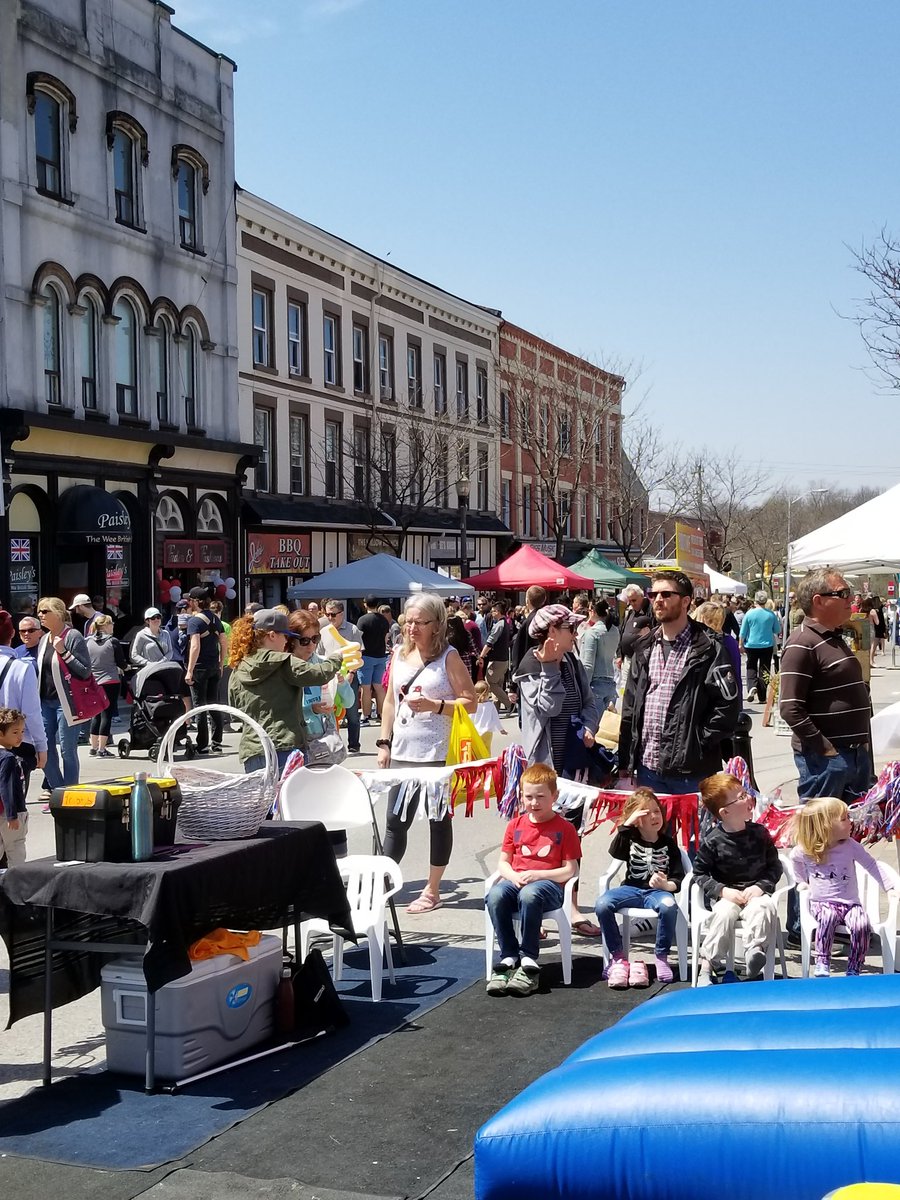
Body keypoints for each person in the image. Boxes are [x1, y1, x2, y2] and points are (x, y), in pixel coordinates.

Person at [377, 592, 477, 914]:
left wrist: (436, 706)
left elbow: (470, 702)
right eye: (408, 622)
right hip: (403, 751)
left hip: (437, 753)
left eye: (420, 622)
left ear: (437, 624)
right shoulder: (399, 654)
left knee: (438, 820)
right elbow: (390, 701)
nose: (412, 628)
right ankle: (381, 884)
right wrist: (384, 742)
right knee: (395, 821)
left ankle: (432, 890)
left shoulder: (449, 656)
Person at [618, 570, 740, 797]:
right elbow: (630, 708)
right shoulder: (644, 647)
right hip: (647, 768)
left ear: (686, 601)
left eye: (666, 594)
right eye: (653, 594)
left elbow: (728, 706)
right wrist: (625, 759)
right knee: (652, 822)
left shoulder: (709, 648)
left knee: (695, 823)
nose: (658, 600)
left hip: (691, 772)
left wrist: (699, 743)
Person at [485, 762, 581, 997]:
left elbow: (570, 870)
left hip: (549, 887)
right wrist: (513, 876)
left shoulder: (565, 828)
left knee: (530, 894)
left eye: (540, 797)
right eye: (528, 797)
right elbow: (503, 863)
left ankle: (528, 958)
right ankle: (509, 956)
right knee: (495, 894)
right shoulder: (515, 825)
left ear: (554, 796)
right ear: (521, 796)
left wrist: (539, 874)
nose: (534, 803)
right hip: (517, 882)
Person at [780, 569, 872, 804]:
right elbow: (790, 708)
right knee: (822, 826)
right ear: (818, 601)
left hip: (852, 755)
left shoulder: (832, 638)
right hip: (827, 761)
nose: (850, 599)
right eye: (842, 593)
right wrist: (826, 750)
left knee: (852, 824)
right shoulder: (802, 643)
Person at [789, 797, 897, 978]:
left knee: (861, 925)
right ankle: (822, 960)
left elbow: (871, 865)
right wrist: (801, 881)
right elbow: (794, 859)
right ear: (826, 825)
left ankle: (855, 965)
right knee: (828, 917)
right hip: (821, 903)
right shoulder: (807, 848)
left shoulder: (850, 846)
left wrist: (889, 887)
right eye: (844, 818)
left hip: (850, 903)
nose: (851, 821)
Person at [228, 609, 345, 773]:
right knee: (290, 790)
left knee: (264, 792)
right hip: (285, 745)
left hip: (253, 749)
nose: (286, 641)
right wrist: (337, 658)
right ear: (272, 635)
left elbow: (234, 709)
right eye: (285, 635)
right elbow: (319, 674)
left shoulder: (239, 666)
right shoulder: (282, 661)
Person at [693, 771, 782, 986]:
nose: (749, 798)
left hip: (755, 893)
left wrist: (761, 887)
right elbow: (699, 873)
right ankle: (708, 965)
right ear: (725, 812)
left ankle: (754, 951)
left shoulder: (759, 833)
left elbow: (775, 866)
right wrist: (723, 891)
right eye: (741, 797)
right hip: (728, 895)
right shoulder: (713, 841)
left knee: (763, 907)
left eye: (746, 793)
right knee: (722, 915)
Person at [594, 786, 685, 988]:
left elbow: (678, 878)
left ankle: (661, 956)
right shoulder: (629, 839)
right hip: (631, 889)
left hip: (657, 892)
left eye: (657, 811)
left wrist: (665, 884)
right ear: (636, 819)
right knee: (602, 904)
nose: (654, 817)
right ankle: (618, 956)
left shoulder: (669, 844)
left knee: (669, 906)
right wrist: (627, 824)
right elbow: (615, 852)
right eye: (646, 813)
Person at [36, 596, 93, 797]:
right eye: (39, 611)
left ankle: (70, 794)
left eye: (45, 611)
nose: (40, 615)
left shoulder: (73, 636)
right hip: (45, 702)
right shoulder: (44, 639)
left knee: (67, 749)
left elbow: (85, 671)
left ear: (58, 613)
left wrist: (64, 652)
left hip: (66, 702)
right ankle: (59, 791)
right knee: (43, 747)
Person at [288, 608, 354, 769]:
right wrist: (311, 709)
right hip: (296, 741)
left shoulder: (325, 663)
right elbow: (282, 708)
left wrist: (341, 683)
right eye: (304, 640)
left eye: (315, 638)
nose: (311, 645)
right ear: (292, 640)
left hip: (326, 739)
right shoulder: (285, 667)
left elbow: (349, 702)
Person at [0, 614, 47, 791]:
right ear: (13, 633)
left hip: (14, 742)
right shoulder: (21, 668)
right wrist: (41, 745)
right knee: (13, 801)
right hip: (15, 743)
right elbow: (31, 712)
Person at [183, 585, 227, 754]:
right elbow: (224, 642)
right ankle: (217, 742)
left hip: (200, 668)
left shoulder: (194, 621)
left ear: (195, 602)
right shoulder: (216, 619)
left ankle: (202, 744)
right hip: (214, 666)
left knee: (199, 706)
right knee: (214, 704)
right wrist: (221, 663)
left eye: (190, 600)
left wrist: (189, 670)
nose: (189, 603)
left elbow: (195, 646)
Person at [320, 600, 362, 754]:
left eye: (333, 614)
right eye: (327, 614)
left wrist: (352, 673)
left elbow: (358, 653)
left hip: (349, 674)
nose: (329, 617)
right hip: (329, 677)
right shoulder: (324, 631)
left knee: (352, 712)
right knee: (331, 712)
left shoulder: (352, 629)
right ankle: (334, 746)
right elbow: (320, 654)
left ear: (341, 614)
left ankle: (354, 744)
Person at [85, 613, 127, 758]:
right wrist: (126, 667)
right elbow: (121, 663)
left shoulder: (88, 641)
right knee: (107, 715)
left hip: (93, 681)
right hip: (110, 681)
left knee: (95, 714)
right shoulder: (113, 641)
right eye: (111, 623)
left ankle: (93, 747)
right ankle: (102, 749)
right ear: (106, 625)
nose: (113, 626)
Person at [738, 590, 781, 704]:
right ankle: (762, 696)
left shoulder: (749, 614)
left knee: (751, 666)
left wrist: (740, 644)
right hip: (767, 645)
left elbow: (743, 631)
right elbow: (777, 630)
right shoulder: (771, 614)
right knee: (764, 669)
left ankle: (752, 685)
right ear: (765, 600)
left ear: (755, 600)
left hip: (751, 644)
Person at [579, 597, 619, 712]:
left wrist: (583, 689)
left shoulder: (592, 633)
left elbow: (588, 665)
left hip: (595, 684)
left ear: (593, 611)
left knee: (591, 721)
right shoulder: (614, 631)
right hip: (610, 682)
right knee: (607, 722)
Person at [0, 708, 28, 867]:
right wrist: (12, 815)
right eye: (15, 732)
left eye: (22, 731)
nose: (20, 736)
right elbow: (6, 786)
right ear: (1, 734)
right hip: (11, 812)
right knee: (15, 848)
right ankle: (19, 879)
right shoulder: (8, 758)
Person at [357, 595, 390, 724]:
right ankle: (382, 714)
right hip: (381, 655)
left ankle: (365, 715)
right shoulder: (383, 620)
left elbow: (358, 639)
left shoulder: (362, 620)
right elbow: (386, 638)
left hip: (366, 656)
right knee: (379, 686)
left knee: (366, 688)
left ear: (365, 604)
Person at [478, 599, 512, 711]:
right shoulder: (505, 623)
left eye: (493, 611)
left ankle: (509, 703)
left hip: (497, 659)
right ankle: (496, 708)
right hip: (503, 658)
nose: (492, 613)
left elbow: (490, 642)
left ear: (498, 611)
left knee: (490, 682)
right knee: (498, 683)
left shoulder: (499, 625)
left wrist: (481, 656)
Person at [616, 584, 652, 676]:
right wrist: (619, 655)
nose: (632, 603)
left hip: (642, 660)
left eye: (634, 600)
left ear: (641, 596)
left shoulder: (650, 611)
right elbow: (622, 632)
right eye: (630, 601)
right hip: (627, 659)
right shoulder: (630, 612)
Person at [473, 678, 504, 754]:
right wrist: (501, 729)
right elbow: (496, 719)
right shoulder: (490, 705)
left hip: (475, 732)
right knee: (487, 749)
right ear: (487, 694)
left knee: (477, 751)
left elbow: (470, 718)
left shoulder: (473, 706)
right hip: (487, 732)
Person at [447, 613, 478, 681]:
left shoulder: (448, 637)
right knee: (466, 681)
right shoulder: (467, 633)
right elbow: (474, 648)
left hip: (452, 661)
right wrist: (479, 657)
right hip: (466, 661)